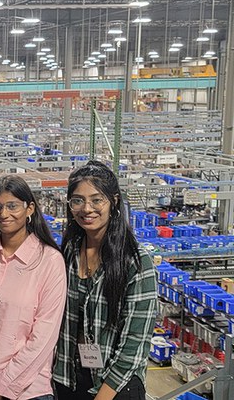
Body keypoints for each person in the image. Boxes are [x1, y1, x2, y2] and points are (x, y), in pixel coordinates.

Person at [52, 161, 157, 400]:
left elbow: (135, 343)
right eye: (77, 200)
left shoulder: (136, 263)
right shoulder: (69, 251)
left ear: (114, 201)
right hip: (70, 379)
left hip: (116, 387)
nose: (87, 208)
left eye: (97, 200)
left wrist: (104, 395)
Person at [0, 176, 66, 400]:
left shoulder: (49, 261)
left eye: (13, 206)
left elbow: (43, 338)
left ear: (30, 209)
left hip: (28, 392)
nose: (4, 214)